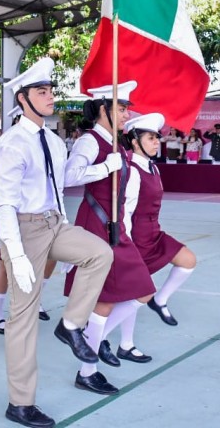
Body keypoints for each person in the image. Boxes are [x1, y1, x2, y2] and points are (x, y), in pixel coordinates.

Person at [0, 58, 112, 428]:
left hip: (53, 221)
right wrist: (16, 253)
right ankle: (21, 402)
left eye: (51, 90)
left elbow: (64, 179)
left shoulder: (52, 140)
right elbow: (4, 203)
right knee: (23, 317)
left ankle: (71, 325)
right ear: (23, 99)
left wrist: (107, 168)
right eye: (42, 92)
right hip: (24, 230)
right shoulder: (13, 143)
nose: (51, 97)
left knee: (99, 253)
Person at [64, 81, 155, 396]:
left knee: (139, 291)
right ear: (103, 109)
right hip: (97, 227)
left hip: (116, 229)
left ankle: (91, 339)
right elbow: (69, 176)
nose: (127, 112)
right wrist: (105, 167)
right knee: (105, 299)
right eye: (121, 106)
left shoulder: (115, 143)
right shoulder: (90, 142)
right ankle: (88, 368)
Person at [124, 113, 196, 335]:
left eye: (157, 138)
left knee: (187, 260)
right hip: (136, 236)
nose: (157, 142)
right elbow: (126, 210)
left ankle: (160, 300)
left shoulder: (152, 167)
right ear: (135, 142)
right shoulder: (132, 170)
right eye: (151, 138)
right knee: (133, 293)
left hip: (154, 231)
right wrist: (124, 244)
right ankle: (124, 343)